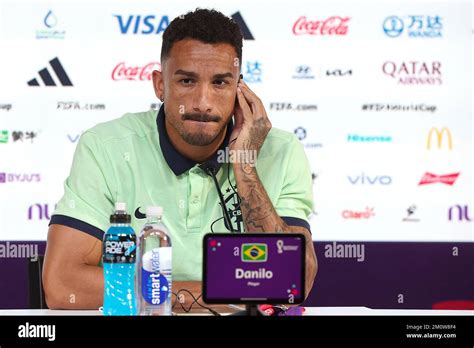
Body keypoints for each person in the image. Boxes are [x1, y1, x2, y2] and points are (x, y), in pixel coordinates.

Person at [42, 8, 317, 310]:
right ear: (160, 85)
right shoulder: (105, 147)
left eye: (220, 83)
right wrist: (227, 292)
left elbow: (295, 281)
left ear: (241, 89)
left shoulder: (281, 151)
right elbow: (62, 284)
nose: (202, 103)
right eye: (187, 81)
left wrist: (245, 166)